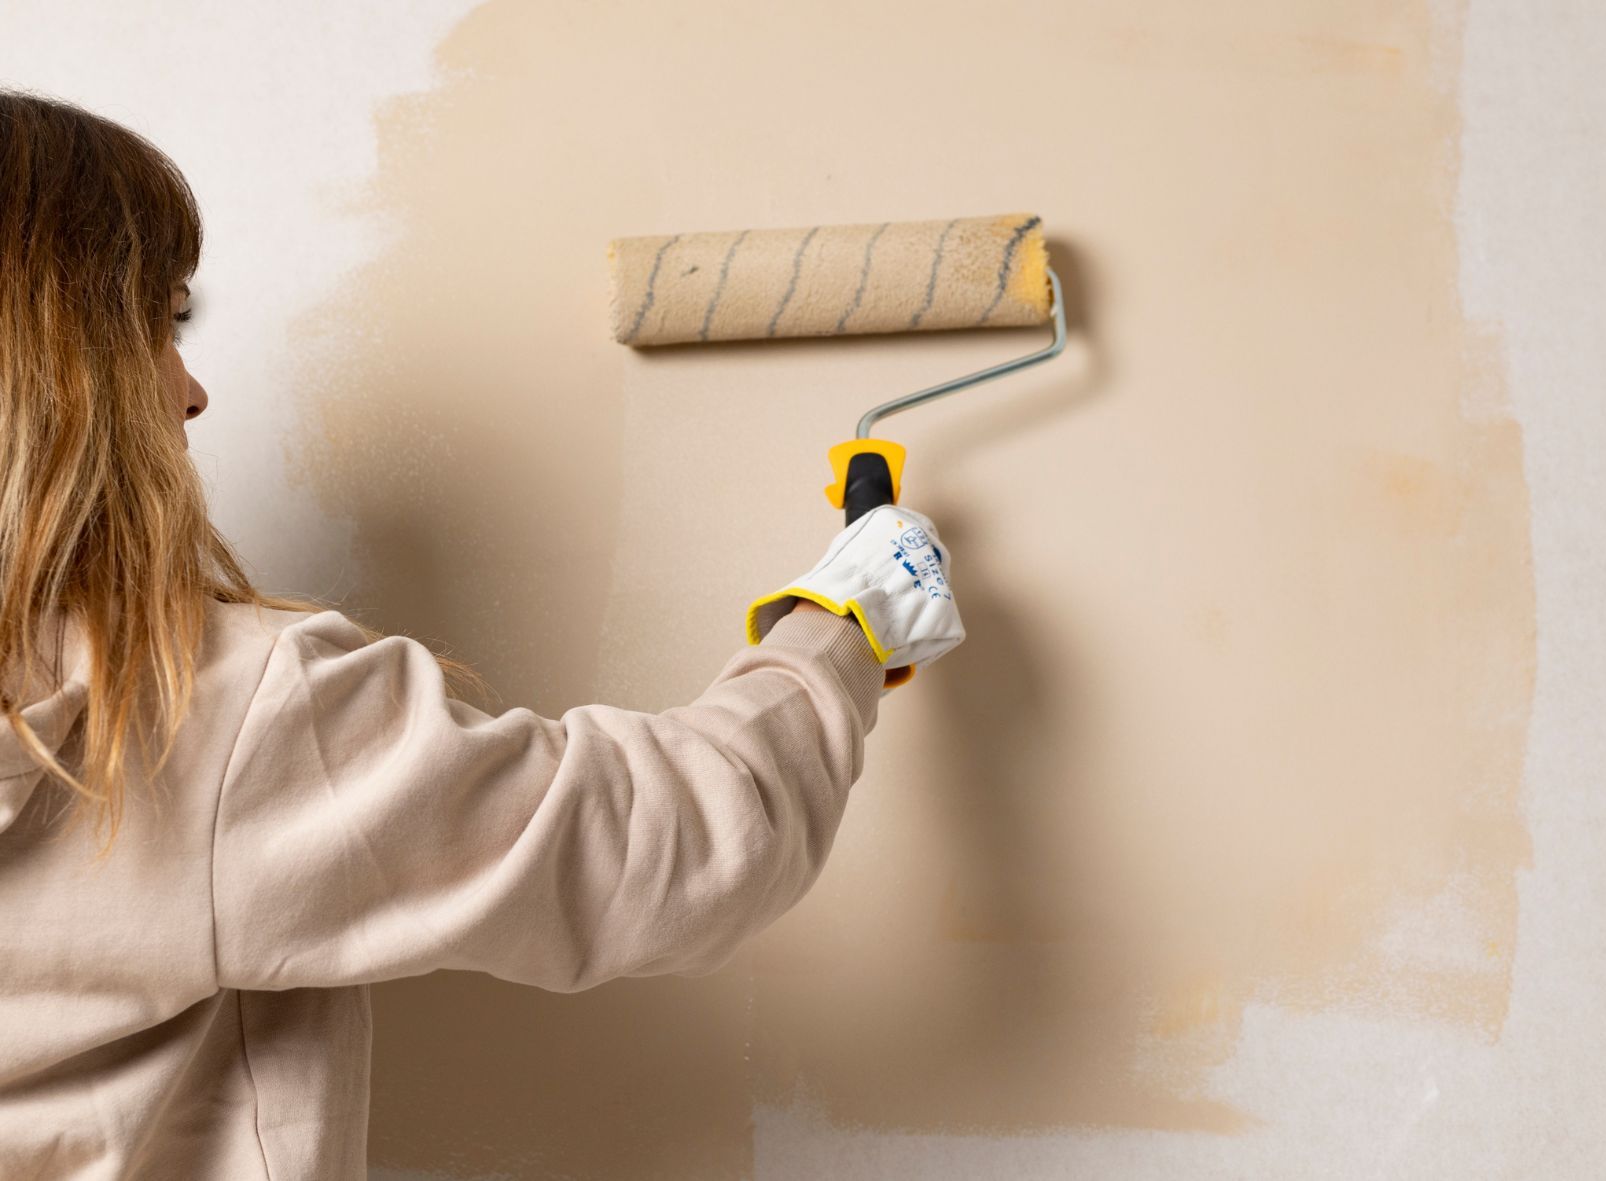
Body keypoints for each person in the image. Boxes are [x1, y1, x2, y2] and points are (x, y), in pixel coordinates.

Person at [0, 90, 964, 1179]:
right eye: (162, 325)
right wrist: (846, 620)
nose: (193, 391)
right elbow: (677, 850)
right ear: (59, 365)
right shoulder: (199, 713)